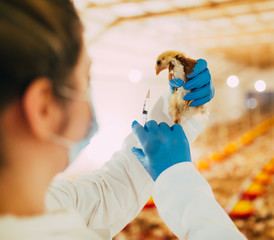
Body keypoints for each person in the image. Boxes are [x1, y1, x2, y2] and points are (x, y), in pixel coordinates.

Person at [0, 0, 247, 239]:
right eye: (85, 80)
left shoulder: (44, 203)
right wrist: (178, 178)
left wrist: (178, 108)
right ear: (44, 108)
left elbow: (107, 195)